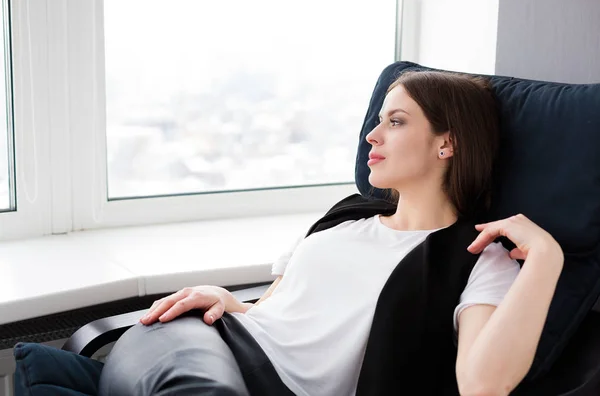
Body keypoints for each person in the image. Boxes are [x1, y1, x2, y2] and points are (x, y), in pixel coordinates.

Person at [14, 71, 564, 396]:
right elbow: (282, 315)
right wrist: (231, 301)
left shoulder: (474, 257)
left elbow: (482, 386)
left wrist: (546, 258)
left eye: (396, 121)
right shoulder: (345, 216)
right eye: (377, 119)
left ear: (448, 143)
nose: (372, 134)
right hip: (204, 343)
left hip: (245, 382)